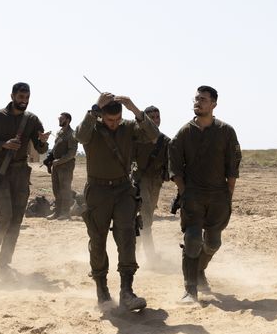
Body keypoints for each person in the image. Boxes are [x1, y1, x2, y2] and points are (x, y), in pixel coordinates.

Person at [76, 92, 157, 311]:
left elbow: (153, 134)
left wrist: (134, 109)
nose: (114, 124)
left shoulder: (129, 128)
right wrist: (94, 108)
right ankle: (102, 290)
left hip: (123, 190)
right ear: (101, 115)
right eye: (110, 120)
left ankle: (127, 292)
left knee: (127, 237)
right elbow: (80, 137)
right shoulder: (92, 128)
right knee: (98, 240)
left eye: (117, 119)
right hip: (98, 191)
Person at [169, 85, 241, 303]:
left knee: (213, 243)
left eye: (203, 99)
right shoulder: (184, 133)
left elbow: (233, 166)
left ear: (213, 104)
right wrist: (184, 192)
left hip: (218, 195)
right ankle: (190, 289)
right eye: (196, 98)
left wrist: (228, 194)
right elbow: (175, 167)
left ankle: (199, 270)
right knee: (191, 239)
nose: (198, 102)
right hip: (193, 196)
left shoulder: (226, 131)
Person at [0, 83, 50, 279]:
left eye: (26, 97)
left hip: (21, 175)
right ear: (12, 96)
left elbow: (41, 149)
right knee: (4, 216)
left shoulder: (32, 119)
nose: (24, 101)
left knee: (17, 219)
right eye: (20, 97)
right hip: (1, 173)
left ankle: (4, 263)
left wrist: (43, 141)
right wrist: (4, 145)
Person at [134, 105, 171, 260]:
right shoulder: (136, 138)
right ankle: (148, 255)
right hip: (139, 181)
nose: (156, 120)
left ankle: (138, 250)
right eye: (152, 118)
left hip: (155, 183)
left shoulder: (165, 140)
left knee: (147, 217)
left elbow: (170, 162)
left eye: (158, 117)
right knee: (145, 217)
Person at [44, 112, 78, 220]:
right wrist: (50, 158)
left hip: (66, 166)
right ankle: (57, 212)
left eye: (61, 118)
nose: (59, 120)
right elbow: (56, 148)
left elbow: (71, 153)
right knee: (56, 189)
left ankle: (65, 213)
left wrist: (59, 161)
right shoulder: (59, 133)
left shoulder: (72, 134)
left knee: (65, 189)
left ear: (67, 120)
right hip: (56, 165)